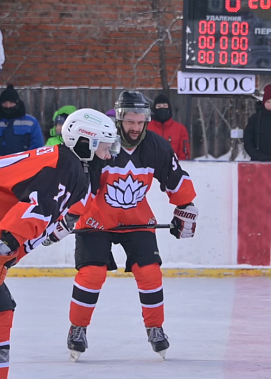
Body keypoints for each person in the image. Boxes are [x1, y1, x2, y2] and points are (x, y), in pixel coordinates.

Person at [0, 109, 120, 379]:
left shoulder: (68, 165)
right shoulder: (66, 167)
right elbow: (35, 209)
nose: (109, 156)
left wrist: (46, 233)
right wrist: (5, 247)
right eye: (105, 149)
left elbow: (54, 209)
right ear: (86, 144)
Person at [49, 90, 198, 362]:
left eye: (141, 121)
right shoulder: (100, 142)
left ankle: (155, 327)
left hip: (137, 220)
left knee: (150, 273)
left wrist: (185, 207)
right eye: (130, 121)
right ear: (119, 118)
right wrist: (70, 215)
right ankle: (77, 329)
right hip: (96, 221)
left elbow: (175, 177)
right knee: (92, 275)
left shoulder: (156, 145)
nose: (135, 127)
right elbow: (84, 185)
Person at [0, 84, 44, 156]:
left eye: (11, 103)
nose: (8, 106)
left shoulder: (31, 123)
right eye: (5, 103)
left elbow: (37, 145)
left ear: (17, 103)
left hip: (23, 164)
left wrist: (26, 159)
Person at [147, 94, 191, 160]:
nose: (162, 109)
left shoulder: (180, 129)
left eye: (164, 106)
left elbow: (184, 155)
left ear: (169, 108)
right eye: (159, 106)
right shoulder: (146, 128)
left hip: (173, 167)